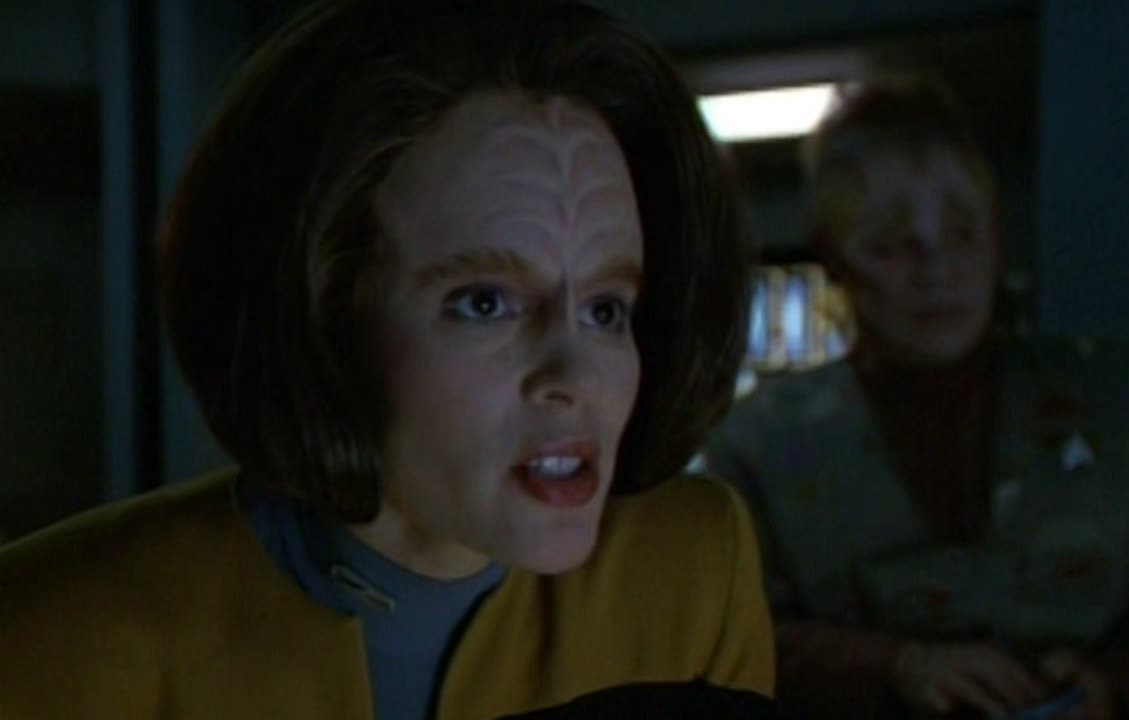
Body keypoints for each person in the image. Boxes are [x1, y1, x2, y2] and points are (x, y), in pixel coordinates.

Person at [0, 1, 775, 717]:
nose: (575, 378)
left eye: (606, 310)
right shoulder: (49, 633)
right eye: (485, 303)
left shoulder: (691, 573)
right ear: (316, 313)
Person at [702, 72, 1129, 720]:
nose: (936, 271)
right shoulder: (762, 441)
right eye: (892, 246)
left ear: (997, 235)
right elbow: (727, 633)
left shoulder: (1114, 395)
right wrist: (892, 667)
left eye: (963, 234)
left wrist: (1120, 684)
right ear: (835, 258)